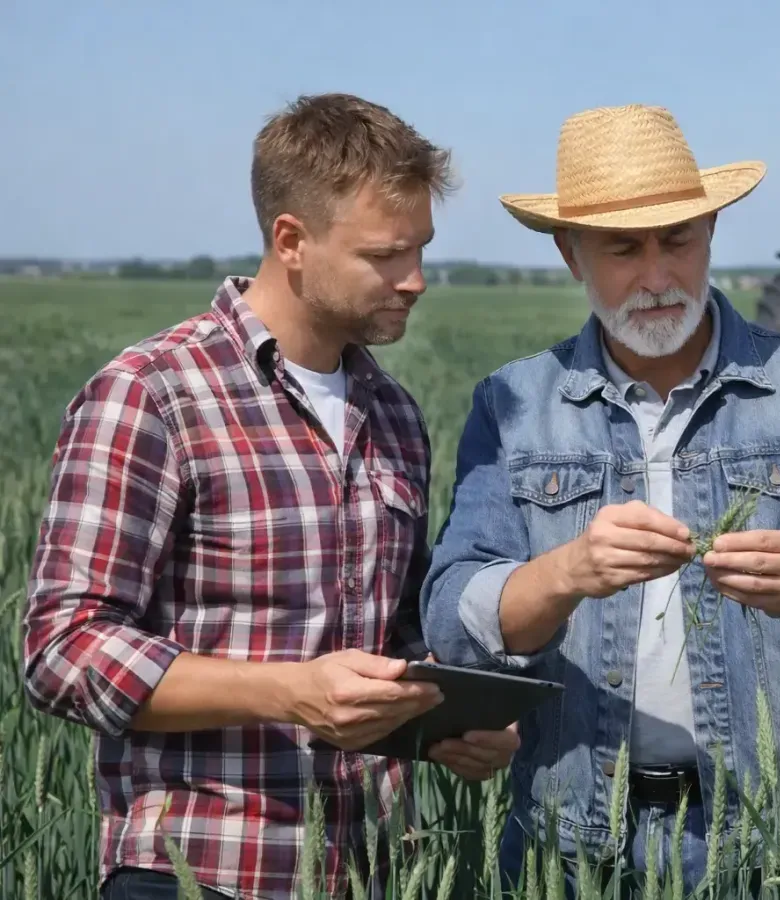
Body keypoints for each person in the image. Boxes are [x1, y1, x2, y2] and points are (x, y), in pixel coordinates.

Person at [22, 93, 520, 900]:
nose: (416, 280)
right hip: (196, 872)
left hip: (366, 871)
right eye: (385, 255)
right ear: (291, 240)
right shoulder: (153, 393)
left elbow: (390, 634)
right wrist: (287, 692)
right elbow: (61, 649)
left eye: (421, 249)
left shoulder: (391, 414)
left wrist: (448, 724)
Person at [419, 104, 780, 892]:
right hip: (573, 846)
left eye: (678, 241)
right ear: (571, 254)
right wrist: (566, 573)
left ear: (712, 231)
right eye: (624, 249)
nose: (657, 277)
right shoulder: (512, 404)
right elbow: (452, 620)